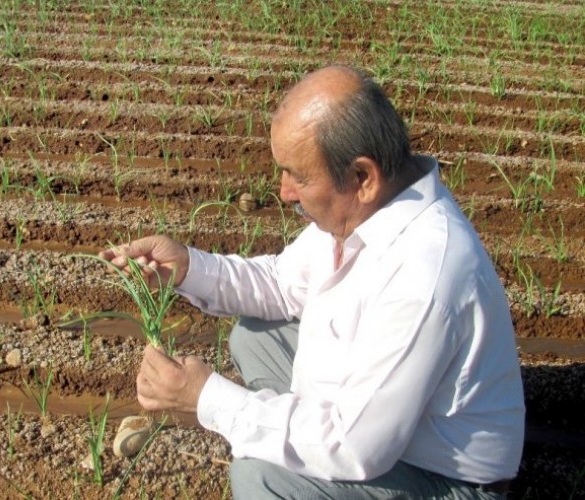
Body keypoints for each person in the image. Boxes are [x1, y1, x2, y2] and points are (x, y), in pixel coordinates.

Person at [99, 65, 525, 499]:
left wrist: (206, 399)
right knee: (256, 337)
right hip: (386, 432)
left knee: (260, 478)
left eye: (298, 176)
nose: (284, 192)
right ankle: (291, 442)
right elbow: (280, 283)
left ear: (362, 177)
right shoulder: (367, 210)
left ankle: (291, 458)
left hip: (440, 477)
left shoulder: (424, 275)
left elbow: (353, 446)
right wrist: (187, 266)